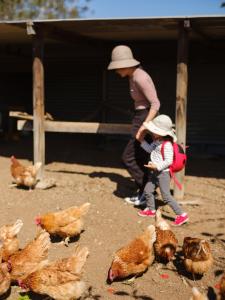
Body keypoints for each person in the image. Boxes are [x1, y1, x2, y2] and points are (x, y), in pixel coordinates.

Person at [108, 45, 160, 205]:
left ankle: (147, 190)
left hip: (145, 118)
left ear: (126, 65)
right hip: (141, 116)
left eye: (117, 67)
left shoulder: (140, 77)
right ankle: (147, 191)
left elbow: (156, 103)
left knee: (128, 157)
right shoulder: (133, 76)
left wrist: (145, 125)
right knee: (141, 156)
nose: (116, 71)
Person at [136, 114, 189, 226]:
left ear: (160, 132)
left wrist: (157, 166)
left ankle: (182, 214)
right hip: (154, 173)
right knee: (148, 190)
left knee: (166, 196)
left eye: (153, 130)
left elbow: (168, 161)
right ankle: (151, 210)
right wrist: (142, 141)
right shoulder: (157, 141)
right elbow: (150, 149)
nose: (151, 132)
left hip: (163, 174)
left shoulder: (167, 145)